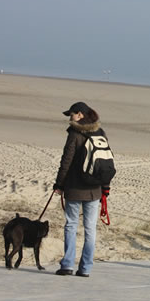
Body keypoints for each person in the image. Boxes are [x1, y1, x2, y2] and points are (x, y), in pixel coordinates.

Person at [53, 102, 110, 277]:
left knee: (71, 225)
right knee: (90, 228)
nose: (70, 117)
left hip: (75, 187)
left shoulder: (74, 133)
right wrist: (105, 187)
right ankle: (85, 268)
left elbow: (66, 160)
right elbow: (105, 161)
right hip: (94, 189)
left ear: (80, 115)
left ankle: (68, 265)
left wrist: (59, 184)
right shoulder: (100, 132)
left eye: (71, 114)